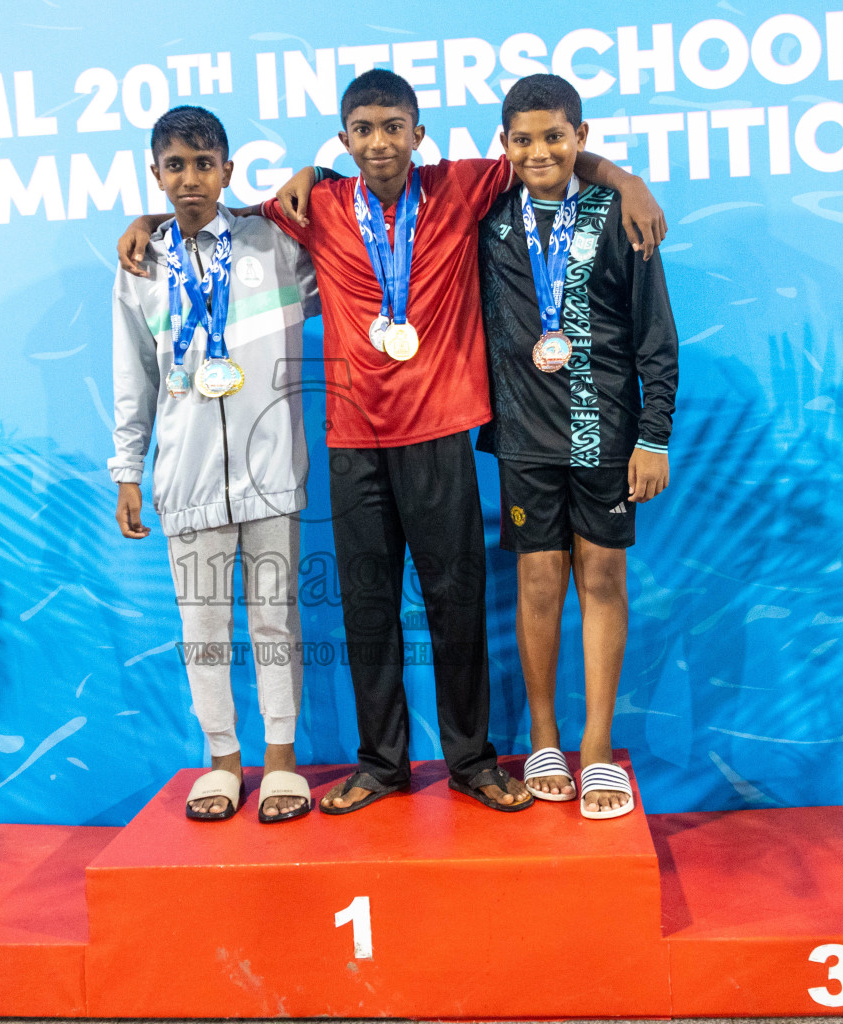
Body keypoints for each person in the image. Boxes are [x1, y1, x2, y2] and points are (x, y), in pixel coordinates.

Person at [207, 69, 666, 815]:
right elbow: (221, 220)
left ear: (419, 135)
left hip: (443, 428)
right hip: (353, 439)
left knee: (456, 603)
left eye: (395, 127)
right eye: (363, 130)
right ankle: (382, 764)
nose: (380, 142)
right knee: (368, 606)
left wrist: (627, 180)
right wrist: (145, 227)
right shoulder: (317, 204)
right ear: (345, 139)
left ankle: (473, 762)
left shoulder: (461, 187)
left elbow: (544, 152)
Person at [475, 74, 678, 818]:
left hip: (608, 435)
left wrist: (653, 436)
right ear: (504, 147)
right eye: (523, 139)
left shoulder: (623, 216)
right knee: (535, 588)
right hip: (526, 439)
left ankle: (596, 747)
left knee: (601, 579)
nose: (540, 151)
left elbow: (657, 335)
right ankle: (544, 737)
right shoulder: (488, 218)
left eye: (555, 136)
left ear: (580, 137)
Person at [109, 106, 318, 824]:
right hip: (187, 481)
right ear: (156, 174)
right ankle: (224, 761)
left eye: (204, 164)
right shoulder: (140, 266)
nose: (190, 179)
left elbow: (356, 242)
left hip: (271, 476)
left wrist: (315, 175)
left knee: (274, 623)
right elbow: (131, 374)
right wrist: (128, 469)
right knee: (202, 631)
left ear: (228, 170)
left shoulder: (275, 247)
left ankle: (282, 760)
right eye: (175, 166)